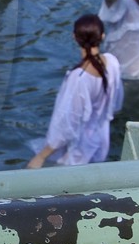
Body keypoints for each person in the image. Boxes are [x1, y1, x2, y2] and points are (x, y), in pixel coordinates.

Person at [26, 15, 124, 168]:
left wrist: (41, 156)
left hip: (78, 151)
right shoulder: (112, 62)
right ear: (103, 36)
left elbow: (67, 123)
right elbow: (116, 103)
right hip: (101, 143)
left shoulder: (78, 78)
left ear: (74, 37)